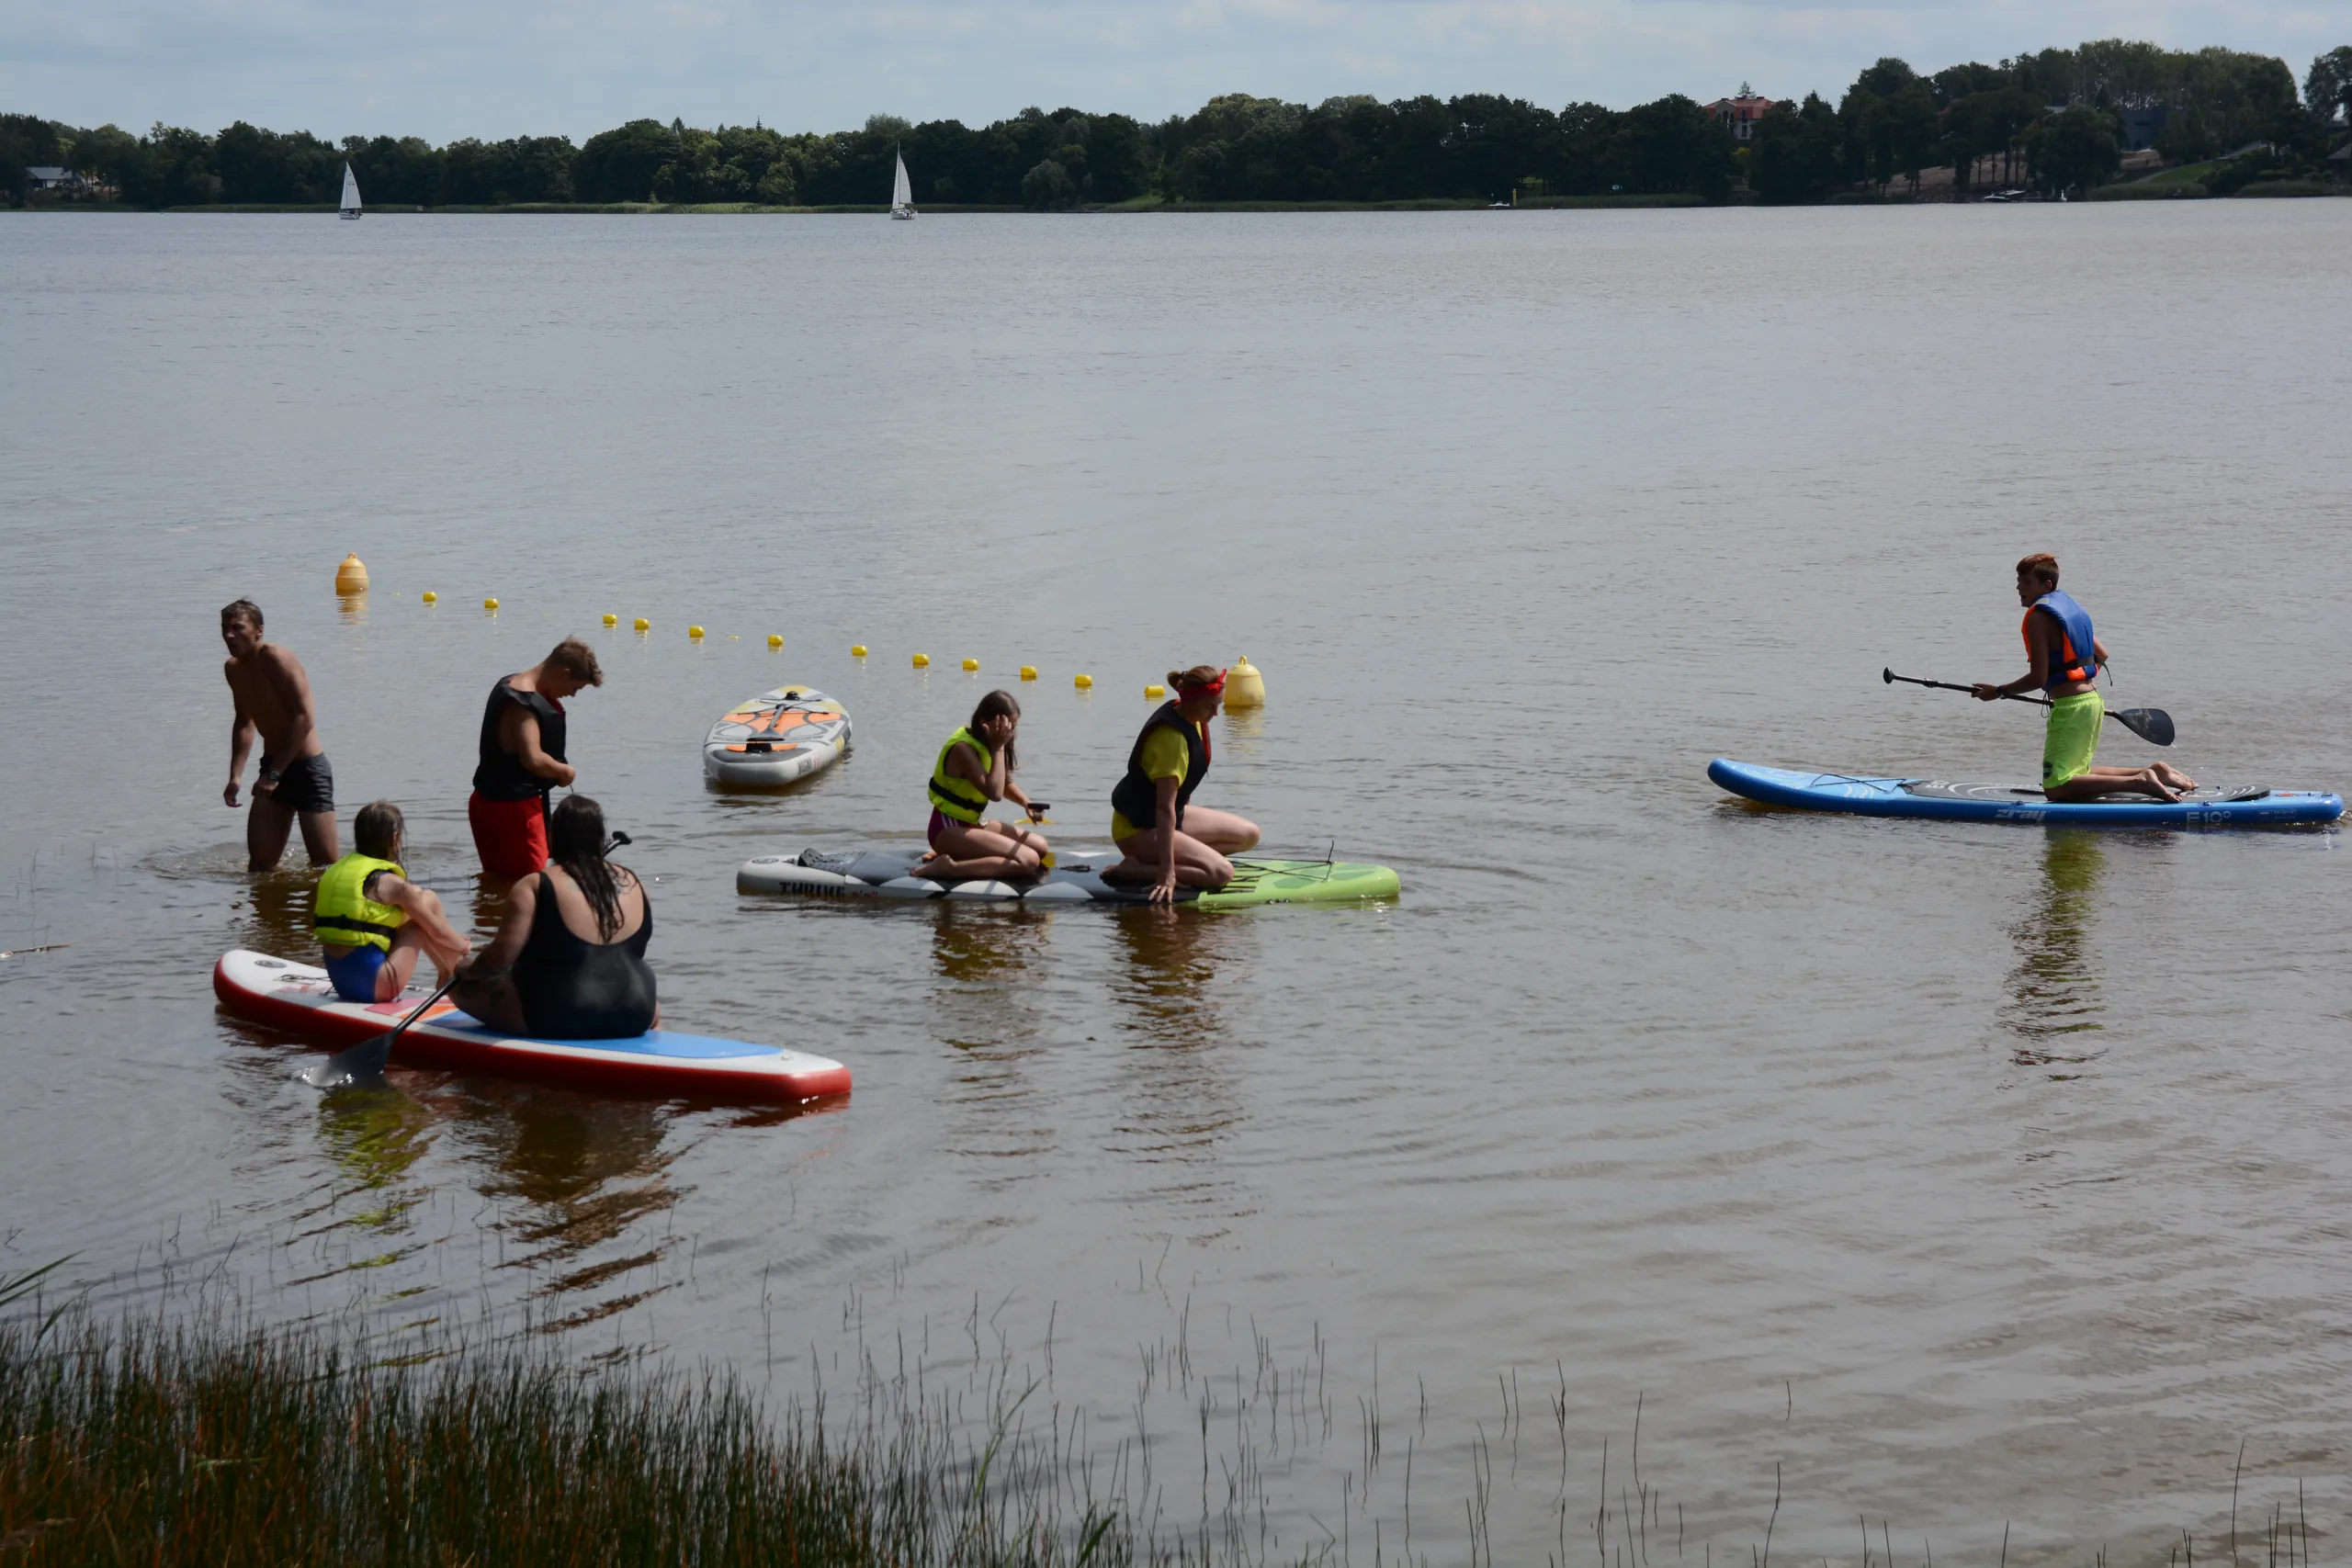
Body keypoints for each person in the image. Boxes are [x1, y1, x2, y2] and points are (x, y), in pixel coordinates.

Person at [1974, 553, 2197, 803]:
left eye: (2026, 581)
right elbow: (2102, 654)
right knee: (2077, 772)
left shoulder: (2038, 617)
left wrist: (1998, 692)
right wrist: (2078, 683)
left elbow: (2038, 678)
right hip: (2091, 701)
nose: (2018, 587)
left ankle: (2141, 782)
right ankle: (2155, 772)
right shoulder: (2068, 609)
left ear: (2046, 585)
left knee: (2057, 786)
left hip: (2072, 708)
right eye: (2018, 580)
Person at [449, 795, 658, 1039]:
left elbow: (500, 959)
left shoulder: (535, 885)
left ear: (552, 837)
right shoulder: (636, 883)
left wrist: (465, 970)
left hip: (559, 1014)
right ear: (600, 838)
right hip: (637, 1011)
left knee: (457, 985)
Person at [1105, 665, 1261, 905]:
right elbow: (1164, 809)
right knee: (1221, 874)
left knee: (1249, 835)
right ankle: (1137, 869)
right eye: (1211, 706)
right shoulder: (1172, 740)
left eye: (1218, 705)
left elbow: (1182, 791)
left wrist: (1185, 843)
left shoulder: (1192, 718)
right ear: (1191, 700)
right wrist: (1167, 873)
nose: (1216, 713)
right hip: (1137, 829)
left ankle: (1176, 859)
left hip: (1164, 820)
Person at [220, 599, 340, 871]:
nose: (229, 635)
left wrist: (275, 773)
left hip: (308, 770)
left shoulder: (276, 657)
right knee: (260, 868)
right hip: (272, 768)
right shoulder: (233, 669)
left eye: (237, 628)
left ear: (258, 631)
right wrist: (235, 775)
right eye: (225, 628)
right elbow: (244, 721)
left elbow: (305, 717)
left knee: (325, 868)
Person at [312, 800, 471, 1003]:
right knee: (425, 904)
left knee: (416, 902)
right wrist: (462, 944)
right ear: (395, 838)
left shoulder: (336, 871)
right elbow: (438, 933)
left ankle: (447, 973)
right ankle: (457, 974)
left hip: (341, 982)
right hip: (378, 987)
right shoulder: (394, 885)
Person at [469, 638, 603, 879]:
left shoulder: (510, 683)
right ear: (563, 674)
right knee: (531, 886)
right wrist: (565, 772)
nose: (571, 695)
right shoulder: (523, 702)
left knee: (499, 883)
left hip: (486, 803)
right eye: (576, 688)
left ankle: (488, 917)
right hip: (514, 810)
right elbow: (533, 758)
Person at [915, 690, 1051, 880]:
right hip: (947, 829)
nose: (1010, 732)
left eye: (1013, 726)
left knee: (1040, 847)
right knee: (1029, 861)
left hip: (972, 824)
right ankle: (948, 867)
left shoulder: (989, 743)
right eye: (1005, 726)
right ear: (983, 723)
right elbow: (994, 793)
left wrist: (1026, 803)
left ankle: (960, 852)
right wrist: (998, 747)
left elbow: (1002, 783)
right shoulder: (963, 749)